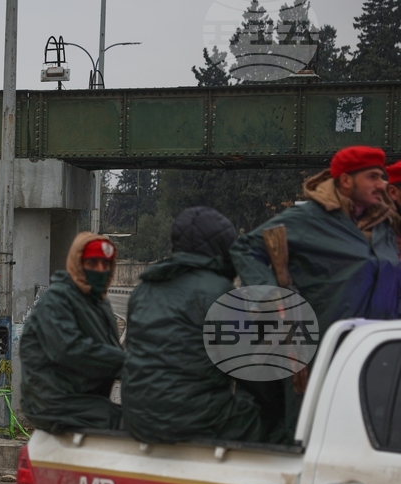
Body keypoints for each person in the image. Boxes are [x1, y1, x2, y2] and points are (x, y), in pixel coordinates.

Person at [122, 207, 268, 444]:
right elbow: (249, 370)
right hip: (196, 421)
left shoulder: (144, 289)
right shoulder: (221, 293)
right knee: (273, 421)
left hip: (138, 418)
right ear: (222, 248)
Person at [230, 146, 401, 333]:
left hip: (377, 348)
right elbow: (245, 249)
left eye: (381, 177)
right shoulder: (308, 218)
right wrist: (271, 296)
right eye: (372, 177)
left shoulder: (383, 225)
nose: (381, 184)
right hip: (325, 348)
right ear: (345, 180)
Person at [20, 233, 126, 432]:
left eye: (106, 265)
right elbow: (69, 349)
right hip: (54, 401)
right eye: (92, 263)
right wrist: (126, 363)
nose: (101, 270)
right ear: (78, 263)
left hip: (84, 397)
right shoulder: (57, 299)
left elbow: (111, 350)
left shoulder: (98, 304)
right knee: (128, 426)